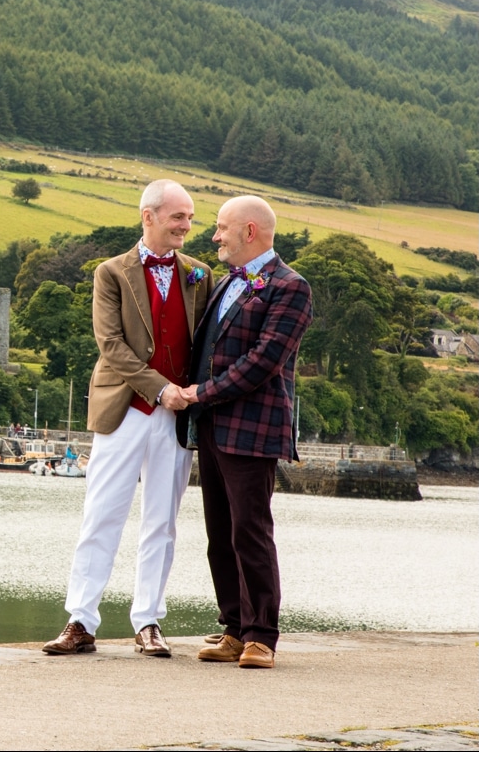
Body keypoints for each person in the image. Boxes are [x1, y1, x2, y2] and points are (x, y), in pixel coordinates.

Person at [42, 179, 213, 657]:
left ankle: (148, 622)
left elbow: (206, 347)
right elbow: (111, 347)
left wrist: (190, 395)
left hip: (178, 415)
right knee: (102, 514)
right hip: (125, 409)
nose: (187, 226)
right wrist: (160, 390)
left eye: (191, 218)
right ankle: (80, 620)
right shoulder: (111, 272)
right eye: (178, 216)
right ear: (149, 216)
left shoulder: (200, 274)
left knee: (163, 521)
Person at [178, 195, 313, 670]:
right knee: (220, 533)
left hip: (253, 427)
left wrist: (198, 394)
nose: (214, 236)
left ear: (249, 231)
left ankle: (262, 636)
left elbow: (262, 362)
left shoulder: (290, 287)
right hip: (212, 425)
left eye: (220, 228)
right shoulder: (229, 282)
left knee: (251, 531)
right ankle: (234, 628)